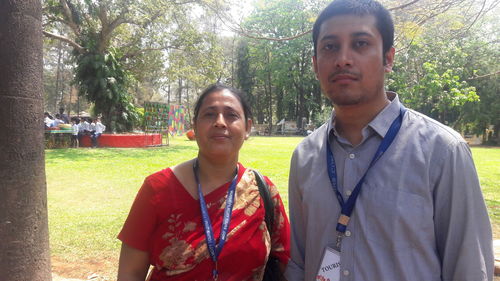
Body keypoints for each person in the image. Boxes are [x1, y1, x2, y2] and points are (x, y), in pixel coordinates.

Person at [285, 1, 494, 281]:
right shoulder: (305, 156)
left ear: (388, 58)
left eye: (360, 43)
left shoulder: (442, 151)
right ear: (315, 64)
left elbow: (468, 268)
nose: (343, 59)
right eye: (330, 47)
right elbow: (299, 262)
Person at [117, 84, 290, 281]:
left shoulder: (262, 191)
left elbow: (285, 261)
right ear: (194, 126)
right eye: (209, 114)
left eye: (231, 115)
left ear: (247, 128)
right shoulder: (157, 188)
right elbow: (130, 273)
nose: (220, 122)